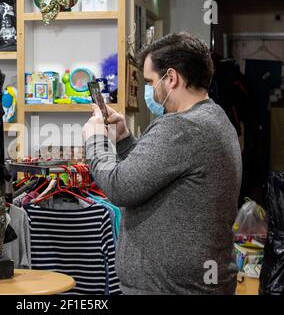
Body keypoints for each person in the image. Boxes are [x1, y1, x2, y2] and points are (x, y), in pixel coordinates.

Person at [82, 32, 242, 295]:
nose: (150, 91)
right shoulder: (214, 117)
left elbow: (120, 187)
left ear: (171, 78)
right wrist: (123, 138)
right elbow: (154, 174)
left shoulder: (181, 127)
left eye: (150, 81)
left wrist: (96, 141)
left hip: (171, 289)